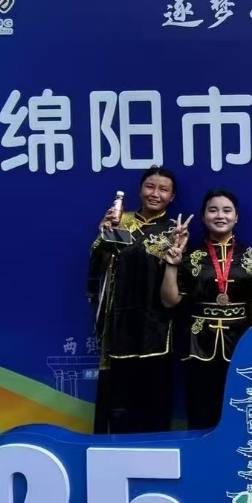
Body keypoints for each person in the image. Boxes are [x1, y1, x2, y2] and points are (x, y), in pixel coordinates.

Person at [160, 189, 252, 430]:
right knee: (200, 410)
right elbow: (169, 301)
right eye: (213, 210)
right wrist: (172, 265)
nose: (220, 216)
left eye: (227, 211)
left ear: (236, 217)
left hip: (241, 343)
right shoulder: (190, 256)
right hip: (198, 343)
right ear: (203, 216)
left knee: (239, 411)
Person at [87, 166, 179, 434]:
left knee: (153, 396)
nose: (155, 193)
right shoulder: (120, 220)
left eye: (163, 189)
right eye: (150, 186)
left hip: (156, 323)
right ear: (140, 190)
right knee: (118, 400)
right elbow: (98, 262)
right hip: (118, 319)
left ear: (172, 197)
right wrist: (104, 235)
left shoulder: (174, 230)